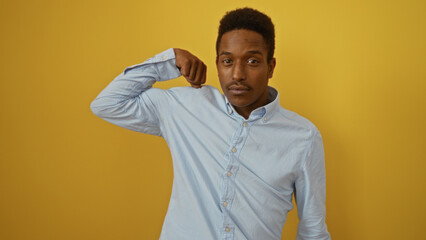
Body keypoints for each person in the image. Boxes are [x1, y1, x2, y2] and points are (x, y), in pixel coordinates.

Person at [91, 7, 331, 240]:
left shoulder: (303, 137)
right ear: (217, 64)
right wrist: (169, 60)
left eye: (252, 62)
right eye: (227, 61)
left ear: (271, 67)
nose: (237, 74)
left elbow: (313, 230)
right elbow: (107, 103)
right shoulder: (185, 107)